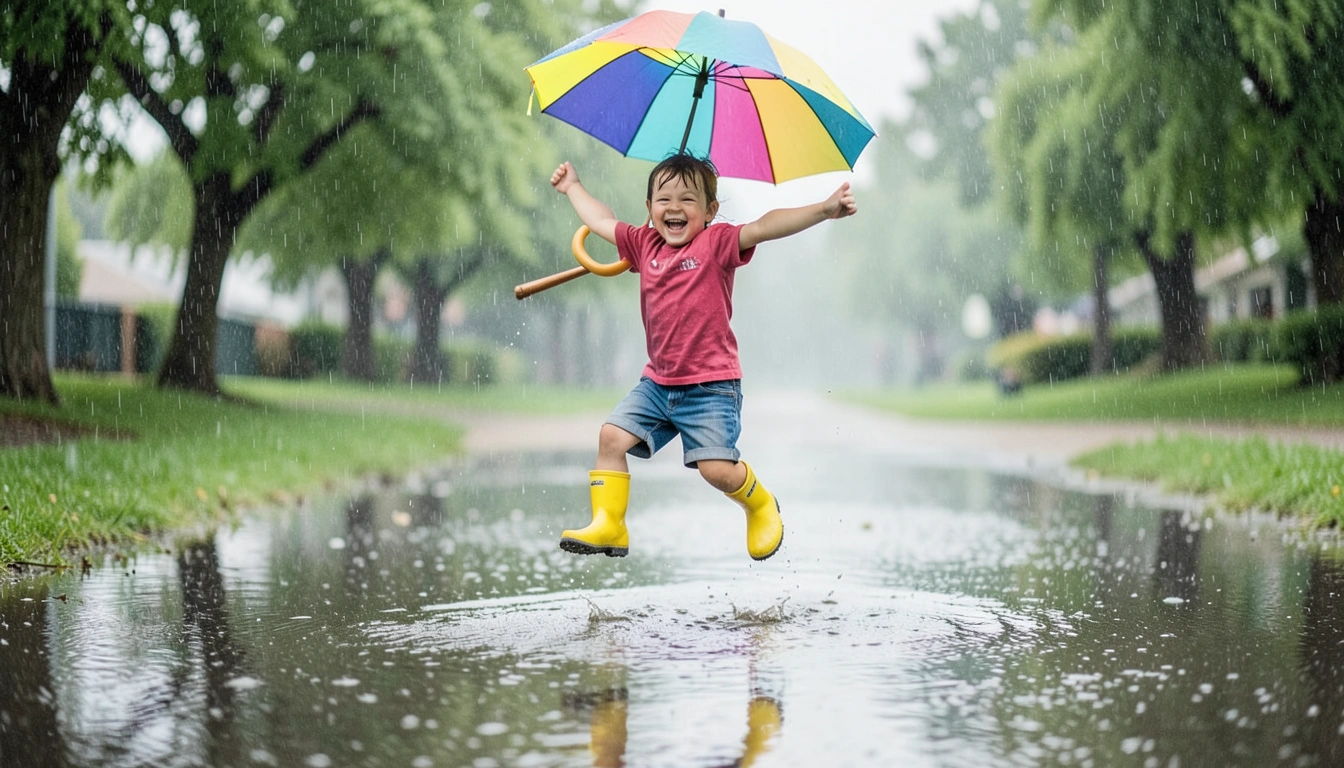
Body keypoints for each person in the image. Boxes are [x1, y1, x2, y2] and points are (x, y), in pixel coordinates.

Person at [550, 154, 858, 561]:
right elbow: (602, 222)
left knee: (717, 471)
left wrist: (822, 209)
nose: (674, 208)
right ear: (648, 210)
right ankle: (611, 525)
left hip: (711, 387)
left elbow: (765, 226)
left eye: (688, 199)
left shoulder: (717, 244)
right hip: (658, 384)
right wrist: (573, 186)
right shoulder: (644, 245)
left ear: (711, 210)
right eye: (663, 199)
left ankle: (760, 503)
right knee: (611, 437)